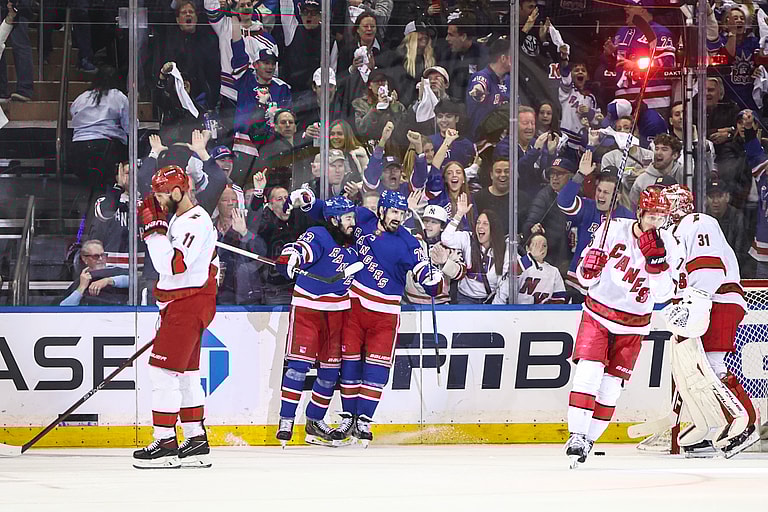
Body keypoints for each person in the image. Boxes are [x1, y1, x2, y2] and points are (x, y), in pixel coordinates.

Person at [305, 190, 442, 445]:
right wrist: (310, 202)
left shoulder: (408, 241)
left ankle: (364, 421)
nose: (397, 218)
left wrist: (433, 280)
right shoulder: (363, 219)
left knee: (377, 369)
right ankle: (348, 417)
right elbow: (333, 212)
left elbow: (424, 271)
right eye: (393, 212)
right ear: (381, 210)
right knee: (350, 364)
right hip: (354, 306)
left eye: (401, 213)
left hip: (386, 314)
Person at [564, 185, 677, 468]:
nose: (656, 223)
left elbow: (663, 296)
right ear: (640, 212)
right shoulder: (612, 228)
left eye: (661, 217)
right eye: (652, 215)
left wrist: (657, 263)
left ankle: (589, 440)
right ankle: (576, 435)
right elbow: (584, 279)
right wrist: (588, 270)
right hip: (597, 314)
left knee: (611, 389)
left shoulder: (670, 245)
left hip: (634, 325)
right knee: (588, 373)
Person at [662, 184, 759, 456]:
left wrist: (696, 304)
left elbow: (708, 270)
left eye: (665, 205)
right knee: (691, 368)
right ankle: (705, 423)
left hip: (717, 300)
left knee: (710, 365)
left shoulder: (698, 221)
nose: (660, 211)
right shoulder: (671, 233)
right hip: (700, 303)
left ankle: (746, 422)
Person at [133, 165, 218, 469]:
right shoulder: (182, 219)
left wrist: (154, 231)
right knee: (187, 374)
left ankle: (166, 442)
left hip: (188, 304)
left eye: (162, 193)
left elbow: (173, 266)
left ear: (179, 190)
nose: (157, 199)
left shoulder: (194, 222)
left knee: (163, 374)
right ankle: (195, 439)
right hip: (183, 303)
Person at [274, 196, 359, 447]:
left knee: (330, 373)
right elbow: (300, 249)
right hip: (308, 308)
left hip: (337, 312)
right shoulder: (319, 234)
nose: (352, 222)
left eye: (352, 217)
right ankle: (286, 420)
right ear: (334, 220)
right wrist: (291, 258)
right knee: (298, 367)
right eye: (347, 218)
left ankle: (314, 421)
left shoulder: (352, 243)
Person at [558, 151, 634, 297]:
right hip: (578, 282)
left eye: (606, 192)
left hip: (610, 286)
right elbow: (564, 202)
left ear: (616, 196)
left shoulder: (628, 218)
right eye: (599, 190)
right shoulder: (588, 207)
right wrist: (580, 174)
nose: (600, 195)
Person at [69, 65, 129, 193]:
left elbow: (73, 113)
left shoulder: (81, 98)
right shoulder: (118, 96)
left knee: (88, 185)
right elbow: (129, 126)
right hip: (105, 147)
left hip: (78, 148)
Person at [441, 193, 508, 304]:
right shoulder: (468, 238)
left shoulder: (504, 249)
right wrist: (459, 215)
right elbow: (446, 238)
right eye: (478, 223)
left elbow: (505, 284)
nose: (480, 226)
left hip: (490, 300)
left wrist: (495, 307)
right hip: (465, 298)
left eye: (485, 224)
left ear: (493, 228)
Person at [405, 202, 467, 304]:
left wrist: (445, 262)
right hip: (410, 303)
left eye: (434, 222)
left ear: (442, 226)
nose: (428, 225)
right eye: (426, 221)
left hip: (440, 304)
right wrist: (408, 212)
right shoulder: (411, 240)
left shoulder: (451, 246)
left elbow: (461, 273)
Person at [524, 157, 576, 276]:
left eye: (560, 174)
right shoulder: (544, 196)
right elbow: (530, 222)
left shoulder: (579, 196)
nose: (554, 177)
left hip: (571, 256)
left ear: (571, 176)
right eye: (552, 174)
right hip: (551, 257)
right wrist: (533, 228)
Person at [494, 233, 567, 305]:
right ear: (527, 248)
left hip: (542, 314)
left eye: (544, 245)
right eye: (536, 245)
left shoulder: (554, 271)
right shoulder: (521, 264)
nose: (540, 248)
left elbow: (559, 299)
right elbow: (510, 277)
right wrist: (530, 257)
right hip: (518, 312)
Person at [59, 240, 129, 306]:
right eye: (96, 256)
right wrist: (82, 287)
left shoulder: (115, 271)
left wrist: (108, 281)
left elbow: (135, 281)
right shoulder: (80, 282)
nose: (101, 259)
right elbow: (63, 308)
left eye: (103, 255)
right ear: (84, 259)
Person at [466, 38, 510, 139]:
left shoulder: (509, 80)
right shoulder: (482, 76)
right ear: (503, 58)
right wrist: (478, 90)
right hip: (482, 138)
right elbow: (479, 83)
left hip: (505, 141)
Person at [705, 179, 750, 272]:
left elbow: (740, 251)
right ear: (706, 199)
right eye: (711, 197)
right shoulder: (703, 219)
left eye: (719, 196)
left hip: (734, 269)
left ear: (727, 197)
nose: (715, 201)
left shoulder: (738, 217)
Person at [473, 157, 511, 235]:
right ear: (491, 175)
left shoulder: (521, 199)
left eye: (507, 171)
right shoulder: (477, 198)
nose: (503, 175)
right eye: (498, 171)